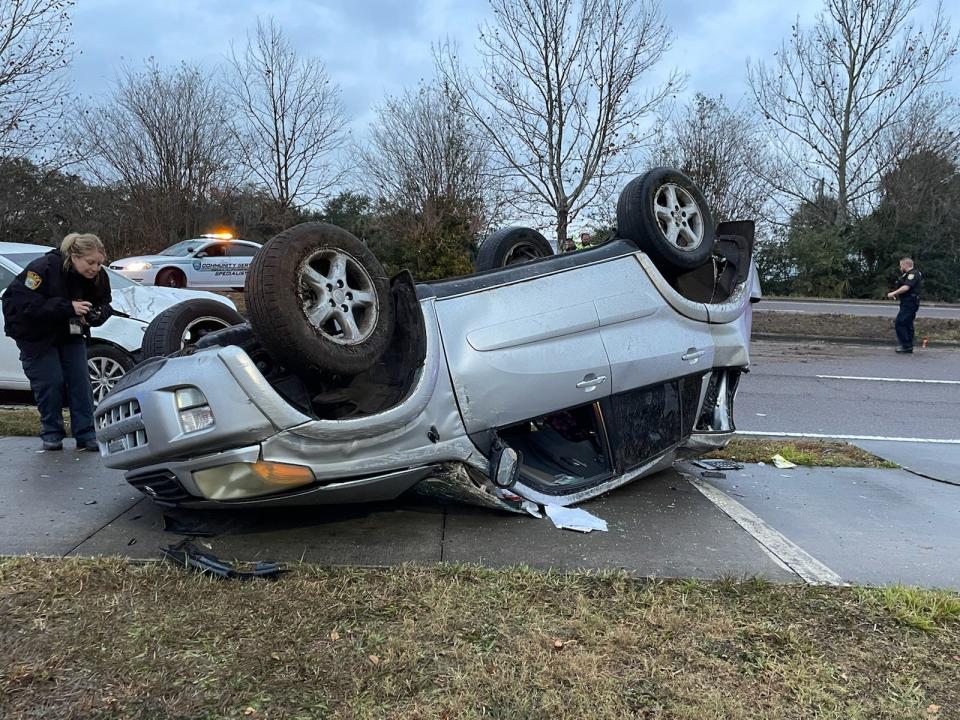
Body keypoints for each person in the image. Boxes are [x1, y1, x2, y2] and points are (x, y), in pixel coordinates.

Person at [2, 233, 113, 450]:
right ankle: (51, 432)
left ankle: (86, 433)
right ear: (73, 256)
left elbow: (105, 304)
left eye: (99, 263)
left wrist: (95, 315)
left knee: (81, 383)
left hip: (69, 333)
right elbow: (21, 306)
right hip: (36, 335)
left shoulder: (98, 277)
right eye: (90, 263)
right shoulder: (42, 269)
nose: (95, 268)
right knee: (51, 382)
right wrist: (67, 307)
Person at [886, 257, 923, 354]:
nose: (900, 267)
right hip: (908, 301)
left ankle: (906, 346)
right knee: (907, 323)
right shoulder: (908, 274)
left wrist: (894, 293)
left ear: (906, 265)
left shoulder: (913, 274)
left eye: (901, 265)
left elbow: (906, 287)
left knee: (900, 322)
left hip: (910, 301)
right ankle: (908, 346)